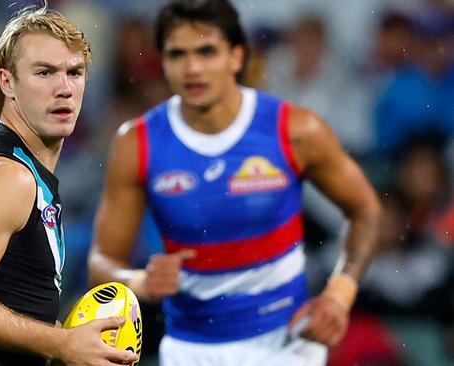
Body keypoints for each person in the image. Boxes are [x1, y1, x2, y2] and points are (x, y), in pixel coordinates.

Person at [88, 0, 381, 365]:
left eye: (207, 51)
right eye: (178, 54)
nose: (193, 68)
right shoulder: (136, 143)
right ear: (163, 61)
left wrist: (340, 293)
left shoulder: (294, 129)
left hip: (287, 348)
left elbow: (366, 210)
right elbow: (102, 260)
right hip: (189, 350)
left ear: (237, 57)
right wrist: (140, 281)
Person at [0, 3, 140, 366]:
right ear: (7, 82)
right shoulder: (6, 177)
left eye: (75, 72)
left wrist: (65, 343)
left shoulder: (18, 169)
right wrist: (60, 343)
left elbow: (2, 299)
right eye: (45, 73)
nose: (64, 88)